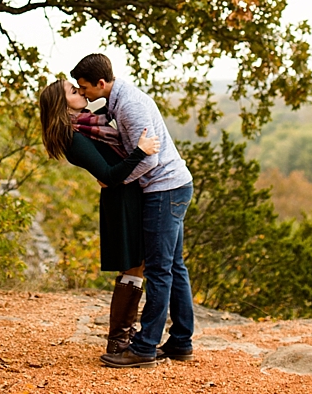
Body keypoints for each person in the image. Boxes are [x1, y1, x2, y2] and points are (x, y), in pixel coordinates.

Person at [70, 53, 196, 369]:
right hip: (171, 186)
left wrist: (116, 179)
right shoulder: (116, 102)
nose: (82, 93)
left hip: (164, 189)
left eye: (84, 87)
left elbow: (149, 158)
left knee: (158, 270)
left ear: (101, 83)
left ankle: (144, 347)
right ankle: (181, 341)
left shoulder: (129, 106)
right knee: (174, 266)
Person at [38, 79, 159, 357]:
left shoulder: (86, 125)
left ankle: (123, 336)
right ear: (61, 104)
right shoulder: (72, 136)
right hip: (121, 200)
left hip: (128, 195)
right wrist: (141, 151)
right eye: (73, 91)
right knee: (132, 265)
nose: (80, 92)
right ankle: (118, 340)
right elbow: (108, 175)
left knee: (136, 265)